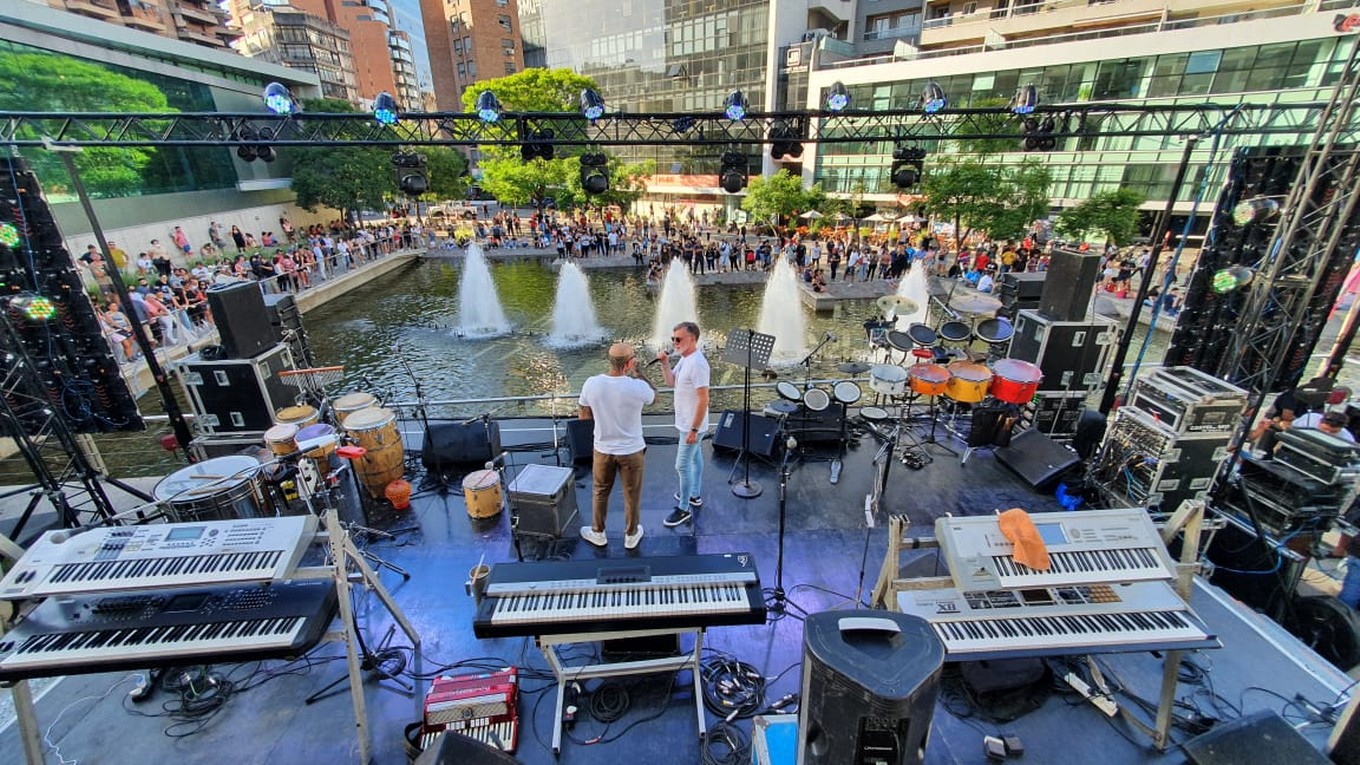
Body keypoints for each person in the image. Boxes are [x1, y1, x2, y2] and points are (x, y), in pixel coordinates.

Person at [577, 343, 656, 550]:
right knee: (632, 493)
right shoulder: (637, 387)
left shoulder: (591, 383)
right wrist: (639, 373)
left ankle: (598, 533)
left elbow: (583, 414)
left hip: (603, 449)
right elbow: (653, 397)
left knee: (600, 491)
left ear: (609, 360)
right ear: (630, 363)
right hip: (632, 451)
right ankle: (631, 535)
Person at [658, 321, 710, 527]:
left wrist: (694, 429)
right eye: (673, 339)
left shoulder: (697, 363)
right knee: (695, 459)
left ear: (692, 339)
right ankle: (694, 494)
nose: (675, 343)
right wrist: (664, 364)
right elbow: (671, 382)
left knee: (682, 465)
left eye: (678, 339)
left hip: (692, 425)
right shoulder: (685, 359)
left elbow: (704, 399)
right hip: (687, 423)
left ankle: (684, 508)